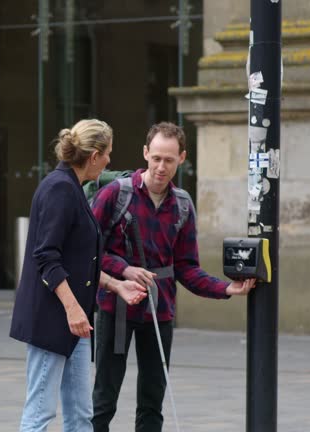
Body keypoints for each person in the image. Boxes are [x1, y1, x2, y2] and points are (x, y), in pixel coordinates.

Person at [89, 122, 256, 432]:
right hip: (116, 309)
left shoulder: (182, 205)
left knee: (153, 401)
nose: (160, 167)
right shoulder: (116, 194)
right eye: (155, 158)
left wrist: (226, 288)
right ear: (145, 153)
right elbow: (88, 249)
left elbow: (187, 267)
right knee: (104, 399)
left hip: (159, 310)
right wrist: (124, 268)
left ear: (182, 158)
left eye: (168, 159)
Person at [10, 119, 147, 432]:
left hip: (76, 323)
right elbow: (46, 257)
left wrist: (117, 285)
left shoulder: (72, 187)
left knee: (80, 417)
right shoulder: (60, 188)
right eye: (109, 153)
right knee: (40, 414)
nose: (111, 160)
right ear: (95, 155)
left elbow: (80, 261)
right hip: (53, 320)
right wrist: (73, 309)